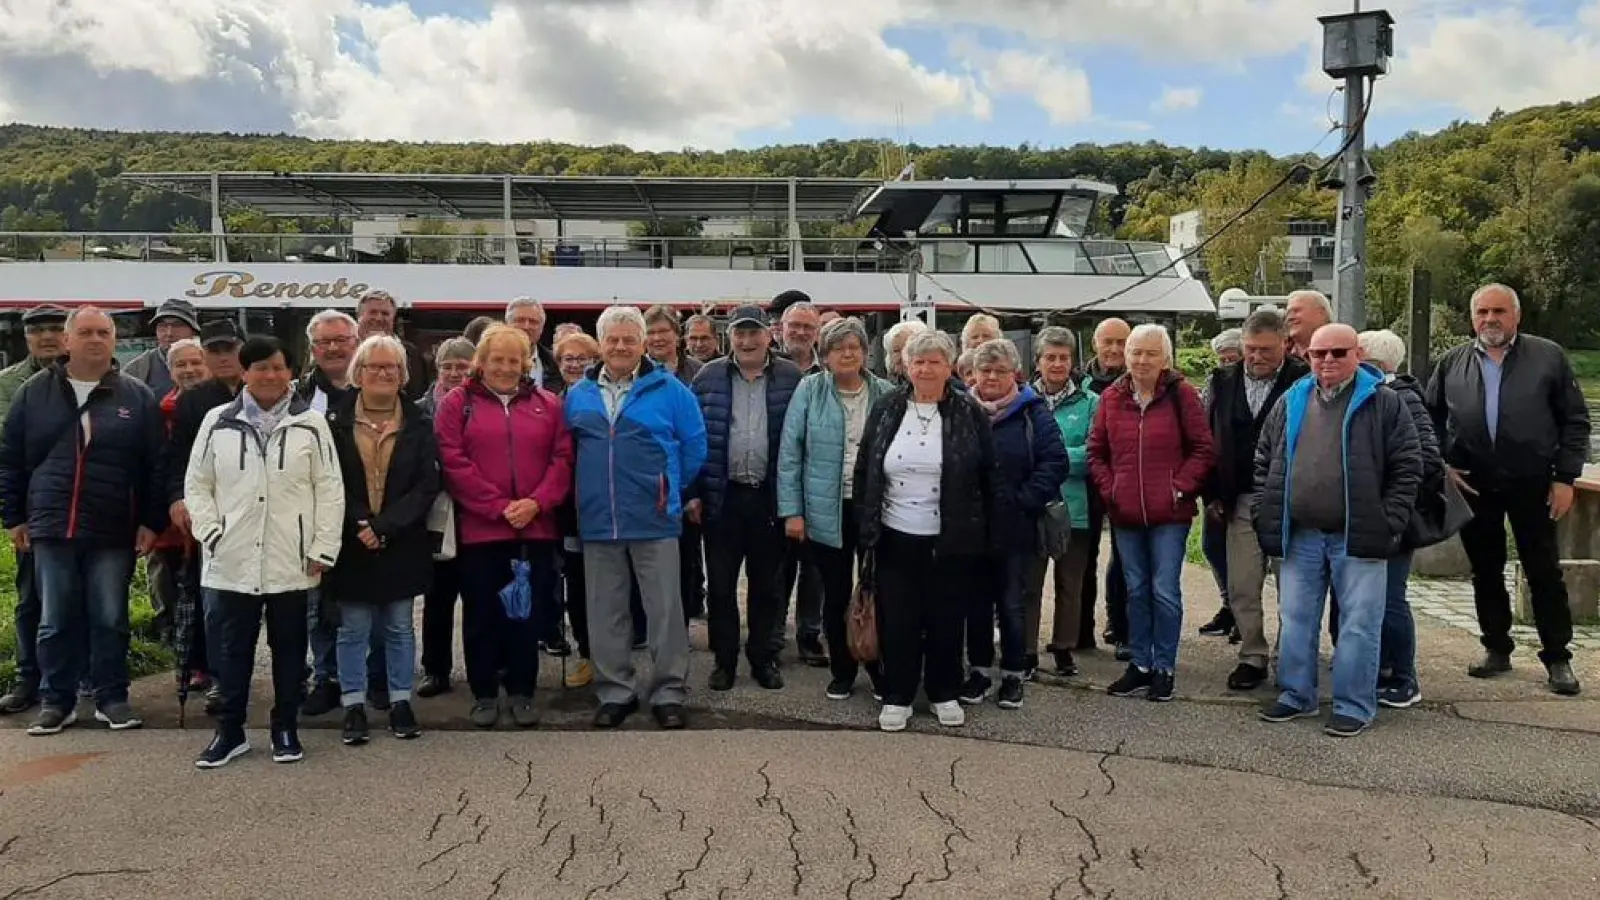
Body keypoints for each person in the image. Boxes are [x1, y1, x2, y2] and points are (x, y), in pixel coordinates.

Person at [0, 307, 166, 736]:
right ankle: (58, 701)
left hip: (112, 526)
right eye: (86, 332)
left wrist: (150, 520)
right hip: (51, 526)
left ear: (113, 340)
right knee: (55, 619)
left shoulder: (136, 396)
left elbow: (154, 465)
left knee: (110, 617)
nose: (95, 339)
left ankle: (113, 698)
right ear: (68, 341)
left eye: (104, 332)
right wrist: (14, 517)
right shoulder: (33, 392)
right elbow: (12, 459)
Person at [1255, 324, 1422, 737]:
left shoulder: (1383, 403)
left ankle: (1353, 704)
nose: (1327, 360)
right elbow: (1264, 458)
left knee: (1359, 624)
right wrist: (1265, 509)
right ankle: (1296, 695)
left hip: (1359, 535)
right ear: (1308, 356)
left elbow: (1408, 465)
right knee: (1294, 619)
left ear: (1357, 355)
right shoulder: (1292, 399)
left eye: (1338, 352)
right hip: (1301, 536)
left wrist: (1389, 521)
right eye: (1319, 353)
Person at [185, 335, 343, 767]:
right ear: (244, 371)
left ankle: (285, 728)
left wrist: (323, 547)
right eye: (260, 367)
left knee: (290, 650)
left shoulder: (311, 424)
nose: (270, 375)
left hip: (291, 558)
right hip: (231, 557)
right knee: (231, 651)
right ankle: (230, 732)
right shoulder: (217, 421)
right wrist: (210, 531)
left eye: (277, 367)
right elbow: (198, 484)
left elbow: (329, 490)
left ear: (290, 372)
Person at [1423, 283, 1588, 696]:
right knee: (1485, 569)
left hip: (1533, 481)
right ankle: (1496, 646)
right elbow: (1427, 417)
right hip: (1473, 481)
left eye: (1499, 311)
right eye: (1482, 312)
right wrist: (1442, 464)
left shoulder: (1547, 357)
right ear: (1472, 317)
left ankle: (1557, 657)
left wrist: (1565, 477)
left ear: (1516, 316)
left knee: (1543, 569)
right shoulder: (1452, 362)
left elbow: (1575, 421)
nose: (1490, 320)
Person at [565, 306, 706, 730]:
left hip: (655, 518)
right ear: (601, 344)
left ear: (643, 343)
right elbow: (569, 452)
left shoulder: (670, 389)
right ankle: (615, 692)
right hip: (597, 519)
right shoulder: (579, 394)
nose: (621, 346)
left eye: (630, 339)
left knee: (664, 610)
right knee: (605, 610)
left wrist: (667, 489)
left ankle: (668, 692)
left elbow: (694, 445)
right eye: (613, 339)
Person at [855, 330, 1001, 732]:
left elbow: (989, 474)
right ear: (906, 366)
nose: (925, 368)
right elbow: (867, 464)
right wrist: (864, 527)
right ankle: (897, 694)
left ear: (949, 366)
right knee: (898, 618)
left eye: (934, 361)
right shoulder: (886, 407)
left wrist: (987, 532)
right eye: (918, 361)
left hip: (951, 537)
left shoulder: (968, 412)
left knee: (946, 617)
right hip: (894, 534)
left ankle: (943, 692)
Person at [434, 325, 572, 729]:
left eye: (515, 360)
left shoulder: (548, 405)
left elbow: (562, 459)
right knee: (482, 614)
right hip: (481, 531)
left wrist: (536, 503)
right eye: (498, 359)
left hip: (536, 529)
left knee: (527, 615)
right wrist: (498, 507)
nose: (506, 367)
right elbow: (453, 462)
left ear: (527, 362)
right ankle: (484, 693)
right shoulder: (456, 404)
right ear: (482, 361)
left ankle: (523, 691)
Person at [1088, 323, 1213, 703]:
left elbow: (1203, 449)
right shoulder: (1112, 397)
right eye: (1135, 352)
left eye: (1150, 353)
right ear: (1125, 356)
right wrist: (1112, 491)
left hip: (1169, 515)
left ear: (1165, 358)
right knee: (1136, 590)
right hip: (1126, 513)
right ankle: (1140, 664)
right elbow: (1097, 452)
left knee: (1164, 591)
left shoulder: (1182, 395)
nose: (1142, 360)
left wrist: (1179, 488)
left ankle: (1165, 667)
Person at [325, 335, 440, 744]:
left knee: (398, 626)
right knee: (353, 627)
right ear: (358, 373)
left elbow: (427, 485)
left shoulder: (420, 423)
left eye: (392, 367)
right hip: (351, 540)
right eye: (374, 366)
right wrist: (360, 523)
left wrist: (385, 526)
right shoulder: (333, 423)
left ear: (402, 375)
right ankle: (353, 703)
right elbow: (328, 480)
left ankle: (400, 701)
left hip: (401, 539)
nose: (383, 373)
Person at [777, 317, 893, 700]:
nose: (847, 353)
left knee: (877, 593)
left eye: (854, 346)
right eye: (838, 347)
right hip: (825, 508)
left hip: (874, 508)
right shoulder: (810, 390)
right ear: (824, 355)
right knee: (836, 593)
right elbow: (790, 454)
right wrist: (792, 511)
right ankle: (842, 670)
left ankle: (878, 668)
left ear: (865, 352)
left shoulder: (886, 393)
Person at [689, 305, 803, 691]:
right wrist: (693, 493)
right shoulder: (708, 377)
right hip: (723, 499)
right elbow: (692, 438)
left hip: (769, 499)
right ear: (730, 337)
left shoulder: (791, 376)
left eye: (754, 333)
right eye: (740, 333)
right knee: (721, 588)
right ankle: (724, 661)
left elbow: (800, 441)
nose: (747, 340)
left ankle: (762, 658)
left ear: (769, 335)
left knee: (766, 587)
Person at [1203, 308, 1308, 690]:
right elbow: (1207, 439)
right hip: (1239, 499)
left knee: (1294, 587)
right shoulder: (1223, 380)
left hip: (1290, 500)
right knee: (1243, 584)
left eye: (1266, 349)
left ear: (1286, 345)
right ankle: (1252, 655)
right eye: (1251, 349)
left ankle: (1292, 658)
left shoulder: (1304, 380)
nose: (1257, 357)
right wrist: (1212, 494)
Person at [962, 338, 1068, 711]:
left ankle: (1012, 674)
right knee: (974, 603)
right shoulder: (960, 408)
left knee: (1011, 602)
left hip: (1016, 524)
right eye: (984, 370)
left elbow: (1055, 462)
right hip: (970, 526)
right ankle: (977, 671)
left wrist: (1023, 501)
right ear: (972, 373)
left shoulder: (1032, 412)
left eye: (1000, 371)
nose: (991, 377)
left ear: (1015, 374)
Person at [1357, 328, 1441, 709]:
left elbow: (1426, 460)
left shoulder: (1403, 398)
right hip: (1371, 516)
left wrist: (1394, 507)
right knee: (1372, 598)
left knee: (1390, 598)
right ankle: (1379, 669)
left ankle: (1404, 677)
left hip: (1394, 519)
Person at [297, 309, 374, 717]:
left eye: (341, 339)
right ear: (313, 349)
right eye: (324, 342)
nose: (333, 347)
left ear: (356, 341)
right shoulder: (299, 396)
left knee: (371, 603)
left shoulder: (376, 388)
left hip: (368, 516)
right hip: (315, 517)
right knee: (320, 606)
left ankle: (373, 679)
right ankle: (325, 677)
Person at [0, 304, 68, 716]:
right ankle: (29, 677)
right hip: (30, 508)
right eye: (37, 330)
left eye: (55, 329)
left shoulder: (92, 380)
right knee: (30, 598)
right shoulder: (9, 385)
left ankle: (81, 677)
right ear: (25, 338)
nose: (47, 336)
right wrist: (13, 514)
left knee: (82, 598)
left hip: (84, 507)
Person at [1024, 326, 1099, 678]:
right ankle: (1025, 649)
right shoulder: (1022, 399)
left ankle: (1065, 648)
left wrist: (1049, 458)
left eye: (1064, 357)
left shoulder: (1091, 403)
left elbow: (1093, 454)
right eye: (1050, 357)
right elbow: (1016, 453)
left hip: (1074, 508)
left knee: (1071, 584)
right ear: (1037, 362)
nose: (1057, 363)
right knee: (1029, 583)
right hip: (1033, 505)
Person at [415, 337, 474, 698]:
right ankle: (435, 669)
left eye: (461, 366)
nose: (454, 373)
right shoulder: (419, 409)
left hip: (475, 511)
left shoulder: (481, 404)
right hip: (436, 512)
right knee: (437, 599)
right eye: (447, 366)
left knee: (479, 597)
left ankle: (487, 663)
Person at [645, 304, 708, 622]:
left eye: (663, 332)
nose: (657, 338)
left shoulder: (698, 372)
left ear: (677, 336)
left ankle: (682, 619)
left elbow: (699, 437)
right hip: (646, 485)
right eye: (651, 332)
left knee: (685, 558)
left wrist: (691, 490)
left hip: (686, 483)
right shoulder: (635, 373)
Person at [148, 338, 209, 646]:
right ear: (170, 371)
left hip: (209, 517)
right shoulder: (158, 411)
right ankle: (175, 646)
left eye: (196, 362)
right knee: (169, 586)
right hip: (168, 518)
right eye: (180, 364)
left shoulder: (224, 407)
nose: (189, 370)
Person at [774, 299, 825, 665]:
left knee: (815, 569)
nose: (801, 333)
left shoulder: (830, 370)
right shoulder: (768, 366)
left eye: (808, 327)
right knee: (777, 568)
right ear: (781, 328)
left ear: (817, 332)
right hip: (774, 482)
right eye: (795, 326)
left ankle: (809, 633)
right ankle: (773, 633)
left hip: (819, 483)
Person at [1081, 317, 1131, 658]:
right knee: (1083, 560)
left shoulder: (1139, 382)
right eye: (1107, 342)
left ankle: (1120, 623)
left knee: (1125, 558)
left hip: (1125, 482)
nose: (1114, 349)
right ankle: (1080, 630)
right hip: (1086, 482)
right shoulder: (1079, 382)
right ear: (1094, 345)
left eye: (1120, 343)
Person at [355, 290, 431, 400]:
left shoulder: (411, 354)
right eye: (373, 312)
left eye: (385, 313)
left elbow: (418, 394)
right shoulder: (348, 350)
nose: (378, 318)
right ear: (359, 316)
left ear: (393, 318)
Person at [123, 298, 200, 398]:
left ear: (193, 330)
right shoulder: (138, 368)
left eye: (177, 325)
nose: (169, 333)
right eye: (163, 326)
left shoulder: (209, 363)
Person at [505, 297, 565, 392]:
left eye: (533, 322)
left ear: (541, 328)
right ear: (507, 324)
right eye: (520, 320)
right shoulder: (490, 361)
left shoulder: (555, 364)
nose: (526, 326)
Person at [1285, 290, 1333, 361]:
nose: (1290, 318)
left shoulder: (1345, 348)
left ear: (1320, 313)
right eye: (1288, 313)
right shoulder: (1278, 355)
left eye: (1296, 311)